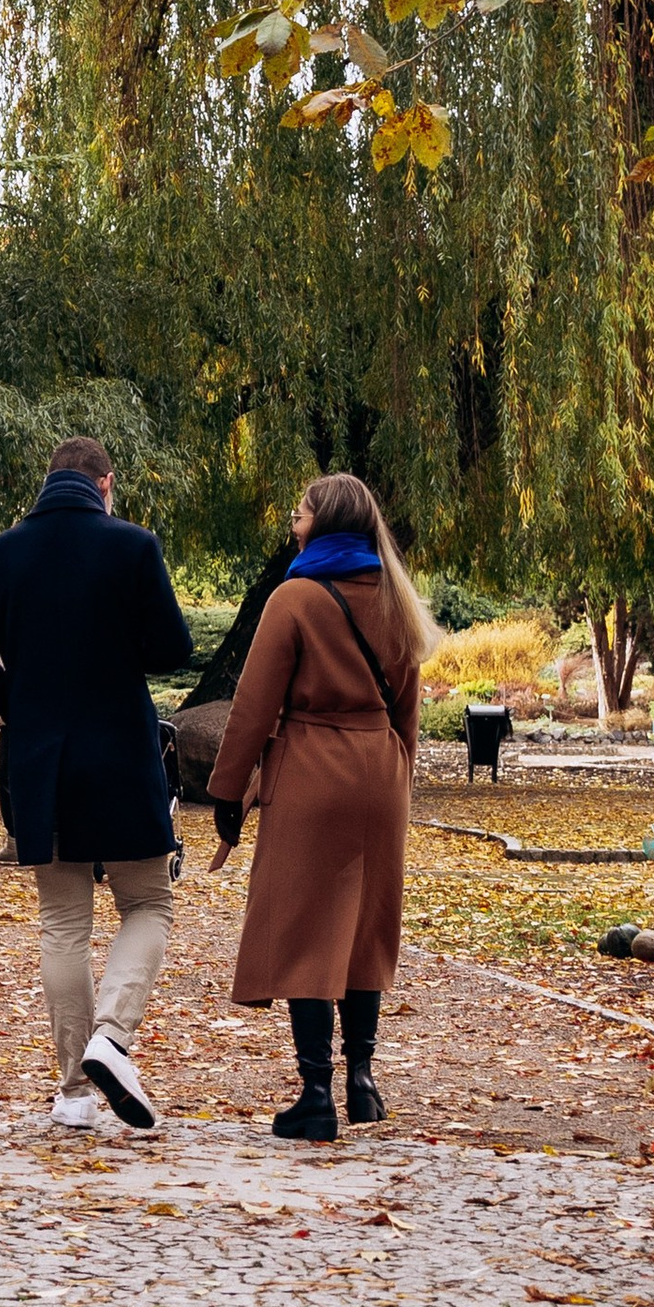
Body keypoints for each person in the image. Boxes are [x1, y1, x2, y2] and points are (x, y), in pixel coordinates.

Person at [0, 436, 195, 1133]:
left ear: (48, 480)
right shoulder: (133, 547)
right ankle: (111, 1039)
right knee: (148, 902)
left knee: (62, 920)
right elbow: (174, 648)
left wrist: (19, 700)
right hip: (120, 750)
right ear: (106, 484)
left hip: (41, 759)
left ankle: (73, 1095)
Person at [206, 473, 431, 1141]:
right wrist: (398, 774)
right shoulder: (397, 598)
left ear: (324, 522)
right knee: (365, 924)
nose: (292, 520)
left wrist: (226, 791)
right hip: (381, 768)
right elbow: (409, 708)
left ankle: (314, 1094)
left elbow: (252, 706)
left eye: (299, 510)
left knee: (308, 926)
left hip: (311, 766)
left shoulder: (296, 597)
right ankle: (362, 1081)